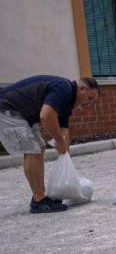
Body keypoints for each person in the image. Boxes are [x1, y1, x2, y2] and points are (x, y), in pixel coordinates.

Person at [0, 75, 99, 213]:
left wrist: (66, 160)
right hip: (6, 109)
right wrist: (58, 141)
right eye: (90, 98)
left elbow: (63, 133)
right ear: (82, 89)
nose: (89, 104)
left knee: (38, 147)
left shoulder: (68, 103)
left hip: (20, 113)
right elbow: (46, 116)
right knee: (33, 150)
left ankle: (39, 197)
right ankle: (38, 201)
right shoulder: (63, 89)